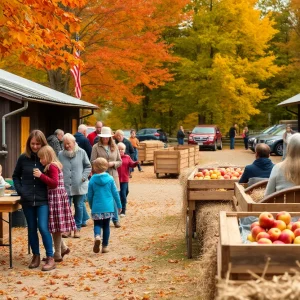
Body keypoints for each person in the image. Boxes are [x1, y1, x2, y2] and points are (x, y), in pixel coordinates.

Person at [12, 130, 55, 271]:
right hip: (27, 199)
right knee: (31, 228)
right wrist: (21, 190)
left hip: (43, 199)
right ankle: (35, 255)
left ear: (43, 143)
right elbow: (15, 176)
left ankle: (50, 257)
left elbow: (55, 176)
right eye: (32, 144)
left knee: (43, 227)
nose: (35, 146)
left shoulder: (47, 157)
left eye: (38, 143)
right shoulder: (23, 158)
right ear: (28, 144)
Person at [34, 145, 76, 262]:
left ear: (47, 156)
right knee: (55, 226)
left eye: (42, 158)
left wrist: (41, 176)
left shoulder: (52, 166)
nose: (41, 161)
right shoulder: (54, 165)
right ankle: (62, 248)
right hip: (56, 198)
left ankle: (57, 253)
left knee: (56, 227)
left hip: (56, 198)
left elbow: (54, 183)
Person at [58, 133, 92, 238]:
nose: (67, 146)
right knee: (66, 208)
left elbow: (88, 166)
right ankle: (67, 229)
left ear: (74, 143)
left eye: (69, 143)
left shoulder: (81, 152)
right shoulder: (60, 154)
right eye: (65, 144)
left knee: (79, 206)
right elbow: (57, 167)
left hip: (79, 185)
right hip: (65, 186)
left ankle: (77, 228)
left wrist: (83, 177)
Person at [88, 158, 122, 254]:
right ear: (106, 167)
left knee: (97, 224)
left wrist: (91, 205)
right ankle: (105, 246)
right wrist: (119, 205)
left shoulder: (92, 180)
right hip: (108, 207)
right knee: (106, 226)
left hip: (96, 207)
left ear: (94, 167)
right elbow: (115, 193)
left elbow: (89, 195)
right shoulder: (110, 179)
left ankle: (97, 235)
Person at [90, 126, 122, 228]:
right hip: (100, 175)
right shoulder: (96, 147)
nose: (105, 139)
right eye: (103, 137)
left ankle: (116, 219)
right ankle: (103, 218)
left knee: (114, 195)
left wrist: (113, 163)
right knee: (104, 196)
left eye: (107, 137)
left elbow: (120, 161)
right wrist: (101, 165)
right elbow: (92, 161)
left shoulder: (115, 147)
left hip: (112, 174)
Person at [74, 124, 92, 227]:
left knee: (79, 200)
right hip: (82, 172)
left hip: (77, 174)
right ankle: (82, 220)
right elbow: (90, 153)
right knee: (81, 199)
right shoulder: (85, 140)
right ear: (84, 132)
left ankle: (83, 219)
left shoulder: (72, 138)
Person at [117, 142, 139, 217]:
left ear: (124, 150)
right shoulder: (115, 158)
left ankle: (123, 207)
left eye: (122, 149)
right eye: (119, 149)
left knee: (125, 192)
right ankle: (121, 209)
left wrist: (136, 163)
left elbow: (131, 164)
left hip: (125, 178)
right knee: (121, 194)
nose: (120, 151)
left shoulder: (127, 157)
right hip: (117, 179)